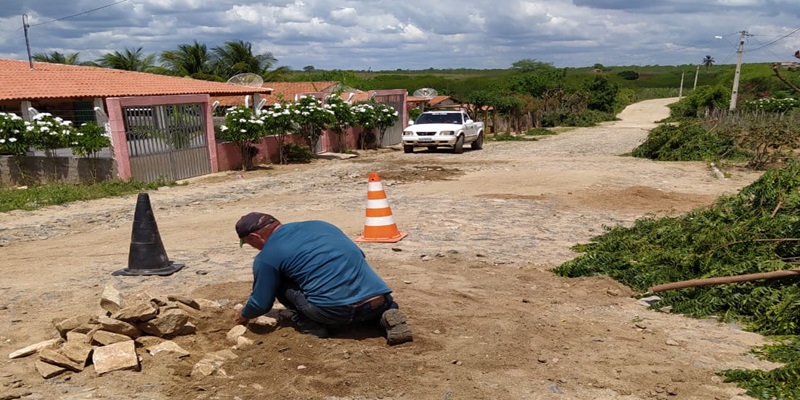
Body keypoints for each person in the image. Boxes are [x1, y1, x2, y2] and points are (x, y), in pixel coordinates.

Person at [234, 212, 413, 345]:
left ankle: (310, 324)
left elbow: (261, 303)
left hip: (333, 313)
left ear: (255, 237)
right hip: (378, 301)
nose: (253, 248)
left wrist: (243, 315)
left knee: (280, 281)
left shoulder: (267, 256)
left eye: (249, 244)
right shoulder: (321, 225)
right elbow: (359, 254)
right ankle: (385, 316)